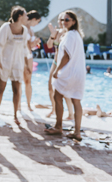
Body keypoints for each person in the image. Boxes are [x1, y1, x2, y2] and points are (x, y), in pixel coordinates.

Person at [44, 10, 86, 141]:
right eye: (62, 20)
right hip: (78, 73)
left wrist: (57, 70)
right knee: (76, 101)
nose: (63, 22)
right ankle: (77, 131)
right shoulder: (76, 35)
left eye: (67, 20)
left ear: (73, 21)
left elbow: (66, 56)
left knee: (57, 96)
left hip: (69, 72)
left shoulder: (70, 35)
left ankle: (58, 126)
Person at [0, 6, 31, 126]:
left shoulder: (24, 30)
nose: (27, 17)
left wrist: (26, 65)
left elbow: (25, 48)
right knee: (1, 89)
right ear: (19, 16)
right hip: (4, 62)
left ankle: (15, 115)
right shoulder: (6, 27)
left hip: (18, 64)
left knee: (17, 90)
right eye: (25, 15)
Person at [22, 10, 43, 111]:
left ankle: (28, 104)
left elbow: (31, 46)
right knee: (19, 81)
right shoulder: (23, 28)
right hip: (22, 56)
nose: (37, 24)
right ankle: (18, 104)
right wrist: (33, 43)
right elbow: (25, 44)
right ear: (34, 19)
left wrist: (35, 43)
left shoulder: (31, 30)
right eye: (37, 21)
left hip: (29, 56)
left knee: (28, 81)